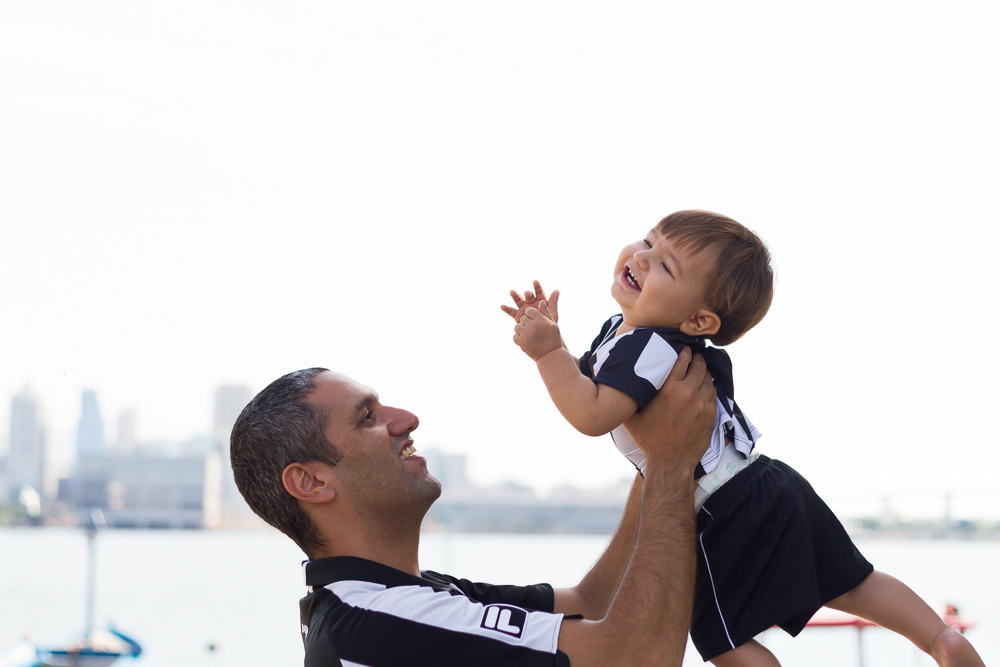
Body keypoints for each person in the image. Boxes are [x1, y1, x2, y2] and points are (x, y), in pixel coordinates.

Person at [502, 210, 986, 667]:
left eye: (665, 265)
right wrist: (559, 344)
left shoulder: (651, 348)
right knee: (850, 582)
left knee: (720, 638)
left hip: (721, 508)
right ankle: (939, 638)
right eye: (648, 240)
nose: (641, 256)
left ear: (698, 322)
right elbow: (588, 382)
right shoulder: (627, 334)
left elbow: (590, 413)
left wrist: (548, 353)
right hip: (768, 479)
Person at [230, 351, 719, 667]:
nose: (406, 419)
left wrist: (650, 456)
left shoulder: (404, 601)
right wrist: (672, 461)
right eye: (368, 418)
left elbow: (596, 604)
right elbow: (638, 657)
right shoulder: (374, 623)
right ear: (311, 482)